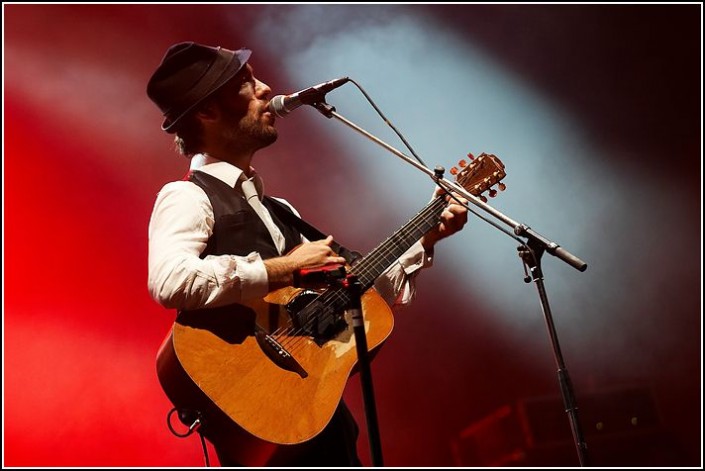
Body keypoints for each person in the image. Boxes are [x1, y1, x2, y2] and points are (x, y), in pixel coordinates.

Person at [146, 41, 468, 467]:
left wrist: (426, 237)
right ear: (207, 112)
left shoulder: (281, 212)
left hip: (315, 416)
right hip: (261, 417)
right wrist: (287, 268)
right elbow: (170, 280)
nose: (265, 90)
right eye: (246, 84)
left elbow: (359, 290)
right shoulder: (187, 196)